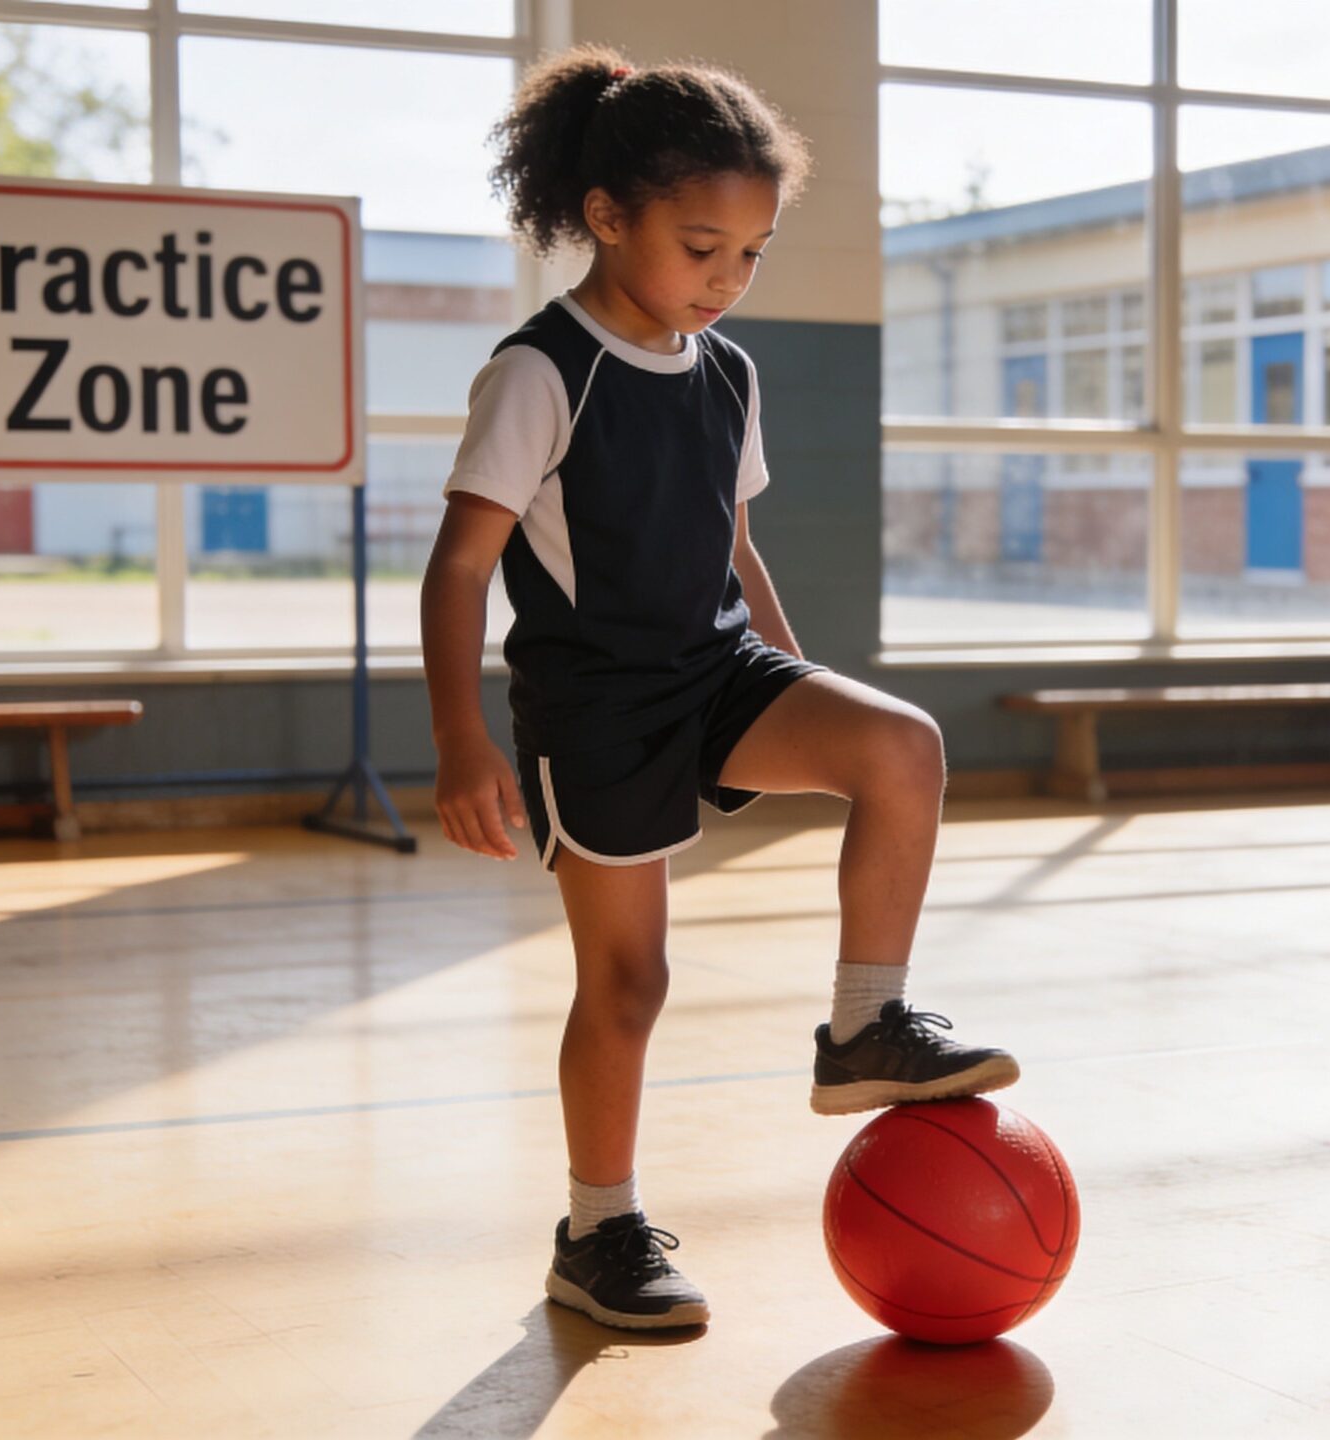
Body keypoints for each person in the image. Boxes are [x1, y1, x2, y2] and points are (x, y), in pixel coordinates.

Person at [418, 46, 1020, 1332]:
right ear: (604, 218)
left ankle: (864, 1028)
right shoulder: (538, 373)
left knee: (901, 745)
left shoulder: (728, 371)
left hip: (717, 668)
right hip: (596, 708)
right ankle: (600, 1230)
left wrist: (794, 676)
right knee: (629, 986)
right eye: (702, 248)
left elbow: (734, 546)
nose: (727, 279)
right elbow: (459, 567)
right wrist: (462, 742)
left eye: (749, 254)